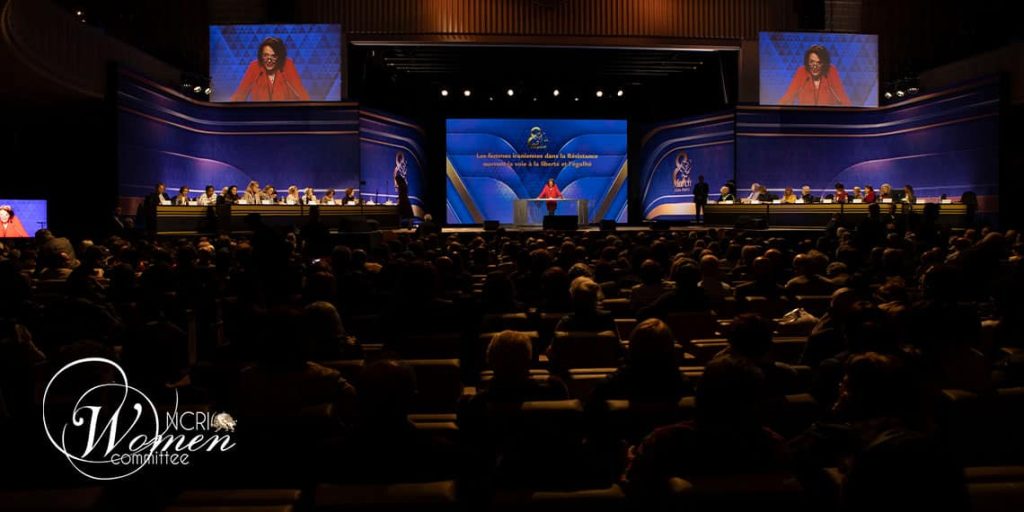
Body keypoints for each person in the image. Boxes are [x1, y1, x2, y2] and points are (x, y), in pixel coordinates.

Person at [229, 36, 310, 102]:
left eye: (273, 56)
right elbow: (239, 95)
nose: (269, 60)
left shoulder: (288, 65)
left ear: (280, 57)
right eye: (265, 55)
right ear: (261, 55)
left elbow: (302, 94)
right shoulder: (254, 67)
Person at [778, 44, 852, 106]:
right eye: (812, 62)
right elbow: (786, 99)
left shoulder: (831, 71)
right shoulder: (802, 72)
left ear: (824, 64)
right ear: (807, 62)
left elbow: (844, 101)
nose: (815, 66)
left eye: (819, 62)